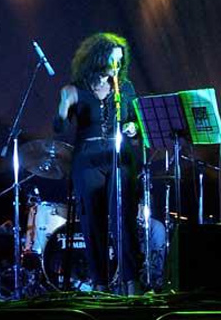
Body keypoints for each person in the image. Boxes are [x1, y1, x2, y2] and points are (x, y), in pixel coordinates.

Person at [53, 32, 166, 294]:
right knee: (93, 223)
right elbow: (59, 128)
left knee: (123, 219)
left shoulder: (125, 88)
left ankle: (131, 281)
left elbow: (137, 124)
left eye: (120, 61)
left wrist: (132, 128)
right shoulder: (76, 89)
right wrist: (63, 106)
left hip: (120, 158)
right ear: (97, 58)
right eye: (112, 59)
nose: (117, 65)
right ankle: (100, 283)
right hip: (87, 160)